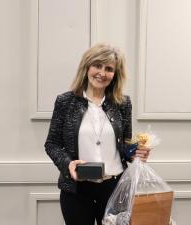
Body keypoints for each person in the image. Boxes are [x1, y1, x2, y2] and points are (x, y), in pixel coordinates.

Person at [44, 43, 151, 225]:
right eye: (97, 65)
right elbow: (52, 144)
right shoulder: (65, 102)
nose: (102, 73)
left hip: (115, 188)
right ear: (87, 67)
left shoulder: (123, 103)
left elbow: (124, 145)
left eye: (109, 69)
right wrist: (68, 164)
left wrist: (136, 152)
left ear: (115, 74)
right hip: (77, 190)